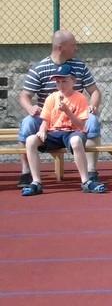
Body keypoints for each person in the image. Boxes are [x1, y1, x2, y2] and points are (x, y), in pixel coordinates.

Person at [17, 30, 102, 188]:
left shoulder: (79, 66)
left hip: (75, 115)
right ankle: (26, 172)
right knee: (28, 122)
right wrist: (30, 107)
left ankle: (91, 171)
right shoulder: (40, 68)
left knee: (93, 121)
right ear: (61, 47)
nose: (76, 48)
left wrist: (93, 106)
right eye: (73, 45)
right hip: (47, 117)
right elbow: (24, 95)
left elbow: (95, 91)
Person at [21, 64, 106, 196]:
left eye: (64, 81)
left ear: (73, 81)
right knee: (31, 140)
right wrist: (42, 130)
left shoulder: (80, 98)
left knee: (76, 141)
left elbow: (81, 126)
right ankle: (36, 182)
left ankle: (86, 181)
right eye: (58, 82)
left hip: (72, 132)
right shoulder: (51, 98)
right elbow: (45, 120)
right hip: (54, 133)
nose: (61, 85)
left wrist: (67, 111)